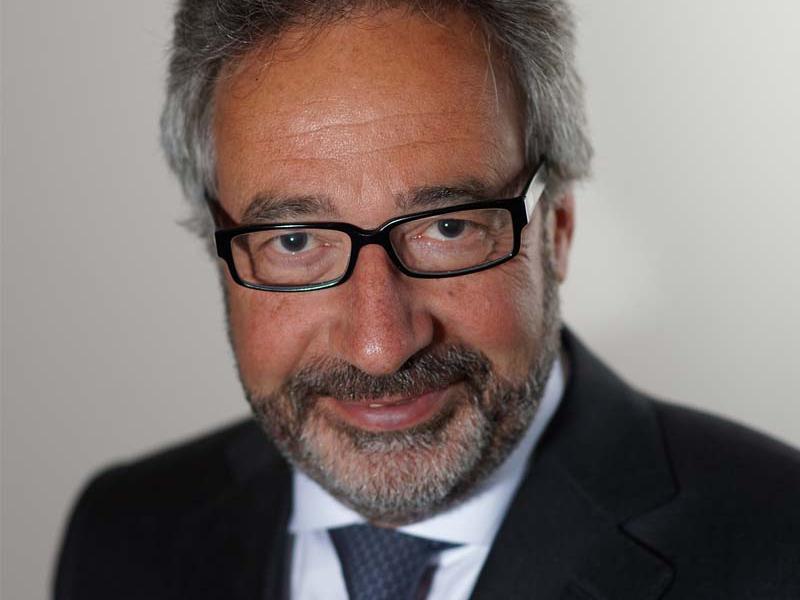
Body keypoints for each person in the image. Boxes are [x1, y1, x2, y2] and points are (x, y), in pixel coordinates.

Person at [54, 1, 800, 598]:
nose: (380, 346)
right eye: (294, 240)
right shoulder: (124, 535)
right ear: (219, 250)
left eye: (448, 227)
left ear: (557, 228)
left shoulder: (779, 545)